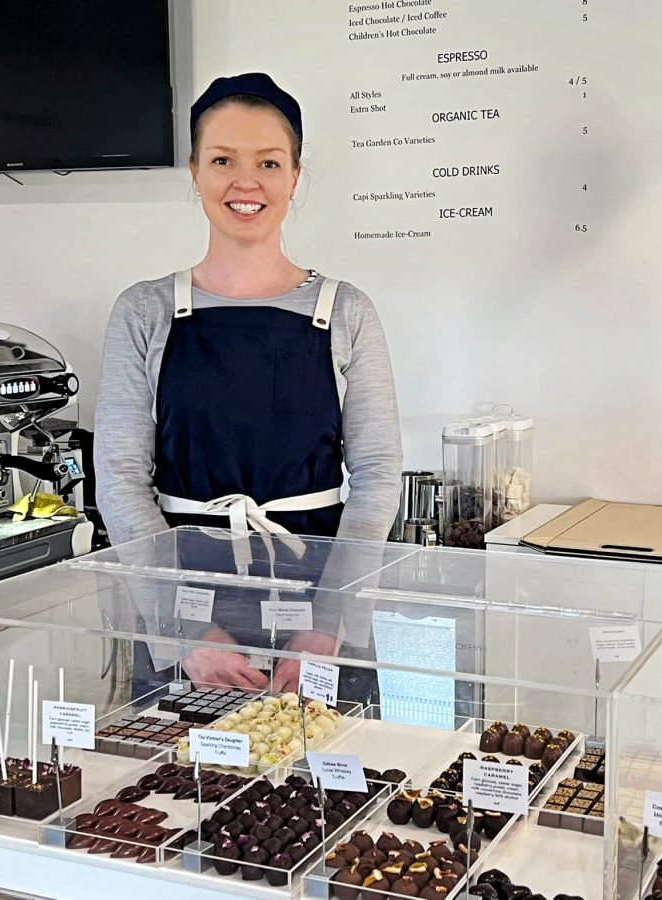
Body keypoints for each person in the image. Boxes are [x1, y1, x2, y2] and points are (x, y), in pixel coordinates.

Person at [94, 73, 403, 694]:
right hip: (184, 613)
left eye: (268, 162)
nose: (246, 182)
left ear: (295, 176)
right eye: (223, 160)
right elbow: (121, 479)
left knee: (328, 789)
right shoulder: (144, 310)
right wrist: (180, 629)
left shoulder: (346, 311)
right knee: (167, 787)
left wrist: (330, 624)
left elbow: (376, 477)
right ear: (194, 171)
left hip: (320, 605)